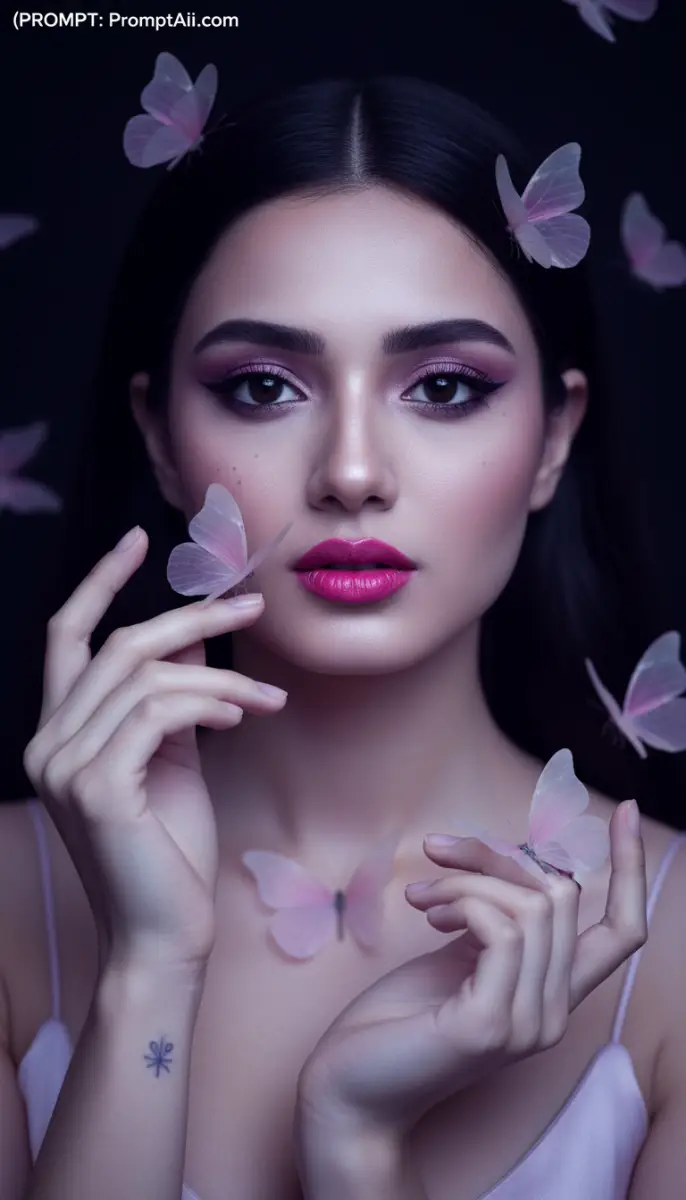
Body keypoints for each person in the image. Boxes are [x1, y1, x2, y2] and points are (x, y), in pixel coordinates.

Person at [1, 74, 684, 1200]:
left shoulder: (663, 955)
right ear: (161, 441)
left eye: (446, 388)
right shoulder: (14, 901)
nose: (352, 473)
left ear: (553, 437)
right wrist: (147, 976)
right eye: (264, 387)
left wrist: (357, 1146)